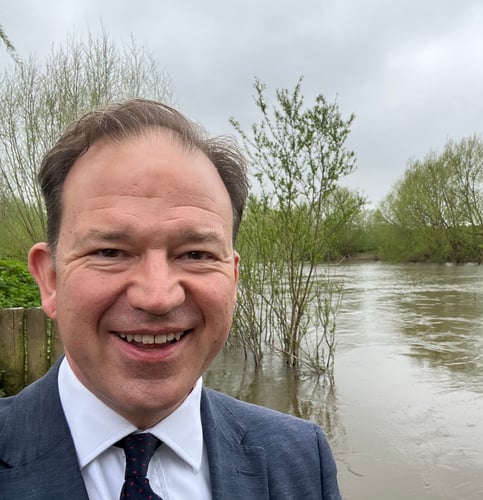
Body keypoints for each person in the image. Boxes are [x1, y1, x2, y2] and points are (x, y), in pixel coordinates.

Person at [0, 99, 342, 499]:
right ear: (50, 279)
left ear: (232, 279)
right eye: (110, 252)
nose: (158, 297)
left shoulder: (301, 459)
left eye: (196, 254)